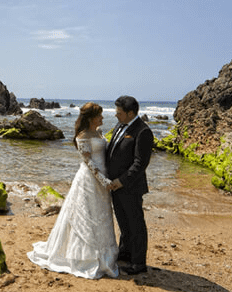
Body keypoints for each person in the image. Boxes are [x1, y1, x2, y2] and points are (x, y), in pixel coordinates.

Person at [27, 102, 119, 279]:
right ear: (92, 118)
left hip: (103, 179)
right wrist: (103, 180)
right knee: (86, 217)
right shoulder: (83, 135)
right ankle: (85, 257)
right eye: (99, 115)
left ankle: (105, 253)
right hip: (90, 180)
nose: (102, 118)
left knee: (101, 215)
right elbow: (88, 161)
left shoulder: (99, 132)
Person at [106, 95, 154, 275]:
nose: (116, 115)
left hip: (130, 187)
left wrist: (121, 181)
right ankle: (125, 253)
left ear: (130, 113)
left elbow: (140, 163)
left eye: (119, 112)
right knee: (124, 223)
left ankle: (139, 263)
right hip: (115, 186)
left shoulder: (143, 132)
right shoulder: (120, 125)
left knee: (135, 225)